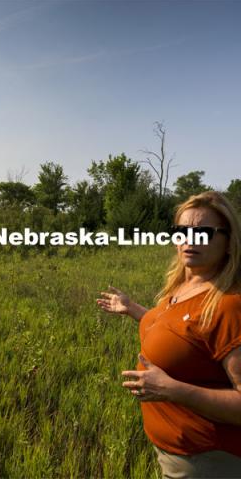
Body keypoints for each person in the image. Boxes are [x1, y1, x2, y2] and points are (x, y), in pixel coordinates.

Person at [96, 191, 241, 478]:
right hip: (175, 452)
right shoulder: (184, 286)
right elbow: (182, 330)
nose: (189, 240)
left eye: (203, 233)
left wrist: (172, 390)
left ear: (228, 242)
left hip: (206, 461)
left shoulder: (229, 304)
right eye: (181, 232)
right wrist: (134, 309)